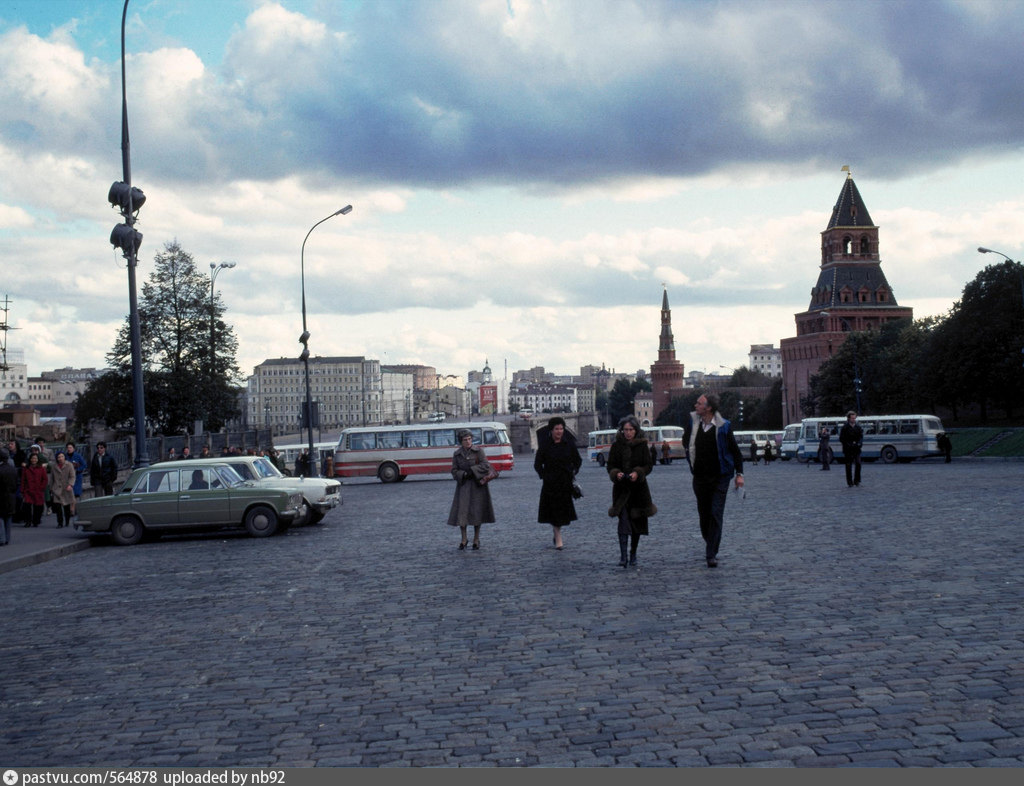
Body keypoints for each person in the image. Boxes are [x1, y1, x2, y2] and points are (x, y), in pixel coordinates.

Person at [683, 393, 744, 568]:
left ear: (708, 408)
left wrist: (739, 474)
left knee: (715, 513)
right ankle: (711, 541)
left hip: (720, 477)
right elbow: (686, 442)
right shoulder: (693, 423)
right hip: (700, 477)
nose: (695, 405)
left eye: (699, 403)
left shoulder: (724, 427)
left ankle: (711, 553)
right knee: (704, 515)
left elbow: (735, 451)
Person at [607, 415, 656, 568]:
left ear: (635, 431)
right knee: (623, 523)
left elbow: (648, 465)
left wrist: (638, 472)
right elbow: (610, 466)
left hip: (638, 491)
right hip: (621, 491)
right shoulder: (616, 446)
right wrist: (617, 474)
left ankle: (633, 553)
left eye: (630, 430)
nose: (627, 433)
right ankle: (623, 556)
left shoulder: (642, 446)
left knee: (636, 525)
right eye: (625, 430)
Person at [534, 416, 582, 551]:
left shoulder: (569, 443)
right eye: (557, 429)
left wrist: (573, 472)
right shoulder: (545, 445)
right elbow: (537, 464)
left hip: (565, 483)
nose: (559, 431)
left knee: (561, 512)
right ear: (551, 430)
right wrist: (544, 476)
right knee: (554, 511)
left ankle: (557, 532)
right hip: (550, 484)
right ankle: (558, 537)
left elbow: (578, 460)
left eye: (561, 428)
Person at [447, 429, 496, 551]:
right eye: (465, 440)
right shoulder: (457, 454)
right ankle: (464, 539)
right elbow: (453, 470)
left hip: (477, 486)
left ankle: (476, 539)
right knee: (462, 513)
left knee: (476, 512)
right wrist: (463, 474)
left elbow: (485, 465)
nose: (468, 442)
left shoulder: (479, 451)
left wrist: (473, 471)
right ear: (461, 441)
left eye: (469, 439)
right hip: (463, 486)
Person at [21, 451, 49, 527]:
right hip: (28, 490)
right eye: (32, 458)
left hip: (38, 490)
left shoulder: (41, 469)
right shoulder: (26, 469)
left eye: (35, 458)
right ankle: (28, 521)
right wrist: (22, 490)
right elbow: (23, 480)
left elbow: (45, 479)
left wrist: (41, 487)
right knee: (27, 506)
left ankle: (36, 521)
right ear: (30, 459)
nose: (34, 460)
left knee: (38, 507)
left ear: (38, 459)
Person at [48, 451, 76, 528]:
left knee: (66, 507)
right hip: (56, 489)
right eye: (58, 457)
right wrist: (51, 489)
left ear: (64, 457)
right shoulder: (54, 466)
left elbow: (72, 476)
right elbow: (52, 478)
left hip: (66, 488)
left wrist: (70, 484)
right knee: (58, 507)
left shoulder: (69, 465)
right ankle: (60, 523)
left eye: (62, 456)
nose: (60, 458)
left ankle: (67, 520)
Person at [839, 411, 864, 487]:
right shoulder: (845, 427)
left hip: (856, 449)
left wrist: (859, 443)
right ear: (849, 418)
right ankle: (850, 482)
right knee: (848, 465)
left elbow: (861, 437)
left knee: (858, 463)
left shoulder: (858, 427)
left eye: (854, 418)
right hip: (848, 449)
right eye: (852, 418)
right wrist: (848, 444)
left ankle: (857, 480)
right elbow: (841, 438)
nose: (853, 419)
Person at [65, 442, 87, 518]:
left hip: (77, 477)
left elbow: (84, 465)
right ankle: (71, 510)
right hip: (67, 478)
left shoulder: (78, 456)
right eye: (68, 447)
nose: (69, 449)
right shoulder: (65, 456)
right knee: (69, 494)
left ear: (73, 448)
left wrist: (78, 470)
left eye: (70, 447)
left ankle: (74, 510)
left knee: (75, 494)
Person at [0, 448, 17, 546]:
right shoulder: (12, 469)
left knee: (1, 518)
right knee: (8, 518)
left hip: (1, 496)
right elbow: (15, 483)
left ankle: (1, 538)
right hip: (11, 496)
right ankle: (7, 538)